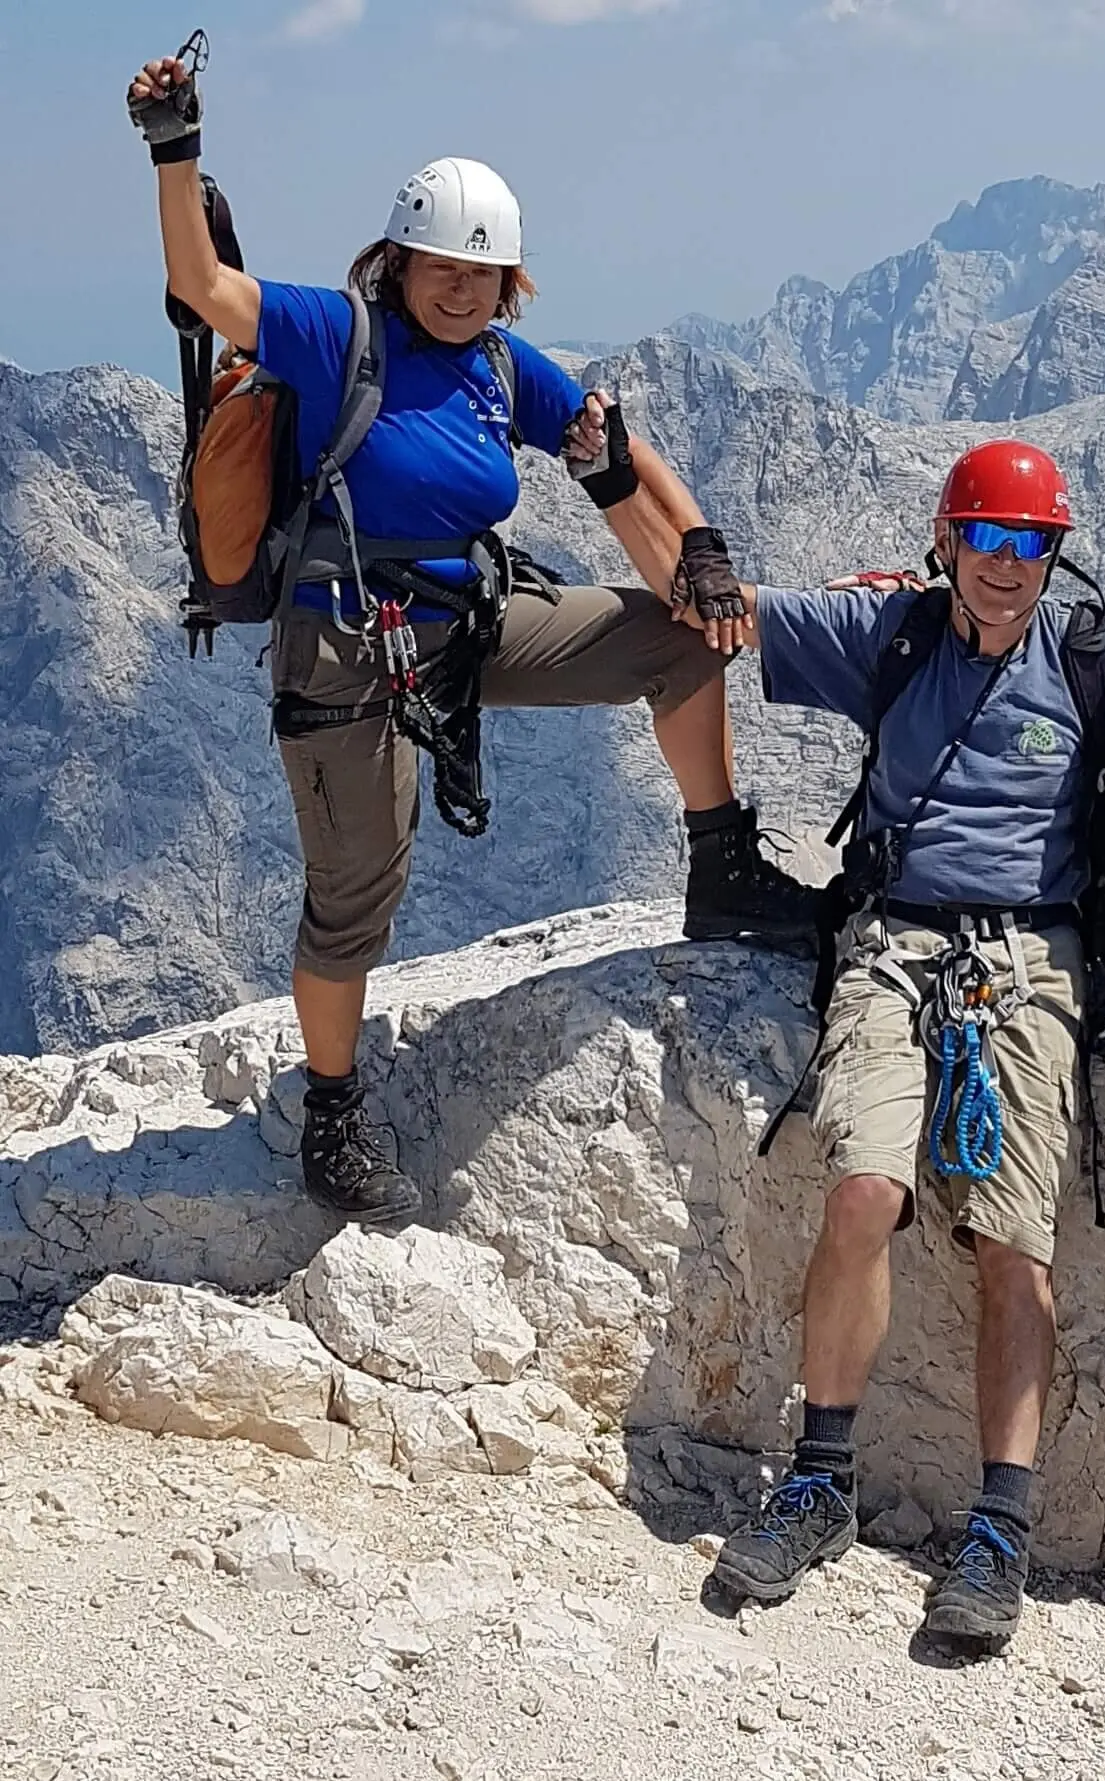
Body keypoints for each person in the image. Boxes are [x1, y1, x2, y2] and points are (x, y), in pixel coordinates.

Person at [126, 47, 818, 1227]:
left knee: (674, 643)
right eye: (440, 265)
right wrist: (176, 147)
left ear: (510, 282)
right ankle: (331, 1112)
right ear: (396, 263)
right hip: (344, 643)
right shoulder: (330, 331)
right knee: (359, 894)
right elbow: (202, 286)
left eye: (482, 270)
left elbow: (606, 443)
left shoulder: (500, 365)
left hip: (462, 628)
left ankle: (721, 866)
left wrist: (696, 543)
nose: (460, 287)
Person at [638, 441, 1105, 1650]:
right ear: (946, 539)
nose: (1003, 565)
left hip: (1027, 959)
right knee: (862, 1191)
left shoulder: (1096, 663)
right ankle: (819, 1476)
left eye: (1029, 543)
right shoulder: (894, 632)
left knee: (1012, 1246)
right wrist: (627, 468)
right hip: (890, 943)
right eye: (984, 537)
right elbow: (708, 609)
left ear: (1056, 553)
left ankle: (1000, 1526)